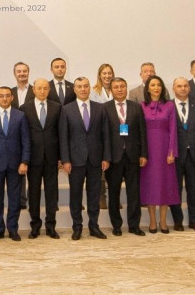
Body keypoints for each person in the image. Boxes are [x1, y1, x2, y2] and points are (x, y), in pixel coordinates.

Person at [59, 77, 111, 241]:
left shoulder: (100, 108)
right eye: (79, 86)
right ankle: (77, 227)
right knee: (75, 195)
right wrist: (65, 160)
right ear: (74, 89)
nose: (83, 89)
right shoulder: (66, 109)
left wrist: (106, 157)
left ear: (90, 88)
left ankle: (94, 226)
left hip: (96, 159)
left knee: (94, 194)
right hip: (75, 160)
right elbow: (63, 137)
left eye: (86, 86)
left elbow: (106, 135)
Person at [0, 86, 30, 242]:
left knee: (15, 198)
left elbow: (26, 141)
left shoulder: (20, 116)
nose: (4, 98)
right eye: (1, 96)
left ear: (12, 97)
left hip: (16, 165)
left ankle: (13, 229)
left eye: (7, 95)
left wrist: (24, 161)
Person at [104, 77, 148, 236]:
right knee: (113, 192)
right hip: (113, 157)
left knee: (134, 192)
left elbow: (142, 131)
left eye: (122, 86)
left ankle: (134, 225)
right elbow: (103, 135)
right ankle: (116, 225)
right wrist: (105, 157)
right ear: (111, 90)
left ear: (126, 87)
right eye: (116, 87)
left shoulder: (136, 107)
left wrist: (143, 154)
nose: (119, 89)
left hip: (133, 156)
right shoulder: (105, 108)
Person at [20, 78, 61, 239]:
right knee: (34, 193)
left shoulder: (57, 107)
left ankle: (51, 226)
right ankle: (35, 226)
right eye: (39, 88)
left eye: (45, 88)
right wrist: (24, 158)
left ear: (49, 90)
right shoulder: (25, 108)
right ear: (34, 90)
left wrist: (61, 157)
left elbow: (60, 133)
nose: (42, 91)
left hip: (52, 157)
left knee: (51, 193)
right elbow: (23, 135)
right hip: (33, 157)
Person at [140, 75, 179, 234]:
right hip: (148, 151)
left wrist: (172, 151)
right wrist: (141, 153)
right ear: (148, 88)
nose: (156, 87)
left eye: (159, 85)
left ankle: (163, 221)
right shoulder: (141, 106)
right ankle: (152, 221)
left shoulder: (169, 105)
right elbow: (139, 131)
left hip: (164, 151)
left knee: (164, 185)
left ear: (162, 88)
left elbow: (173, 130)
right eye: (153, 85)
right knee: (150, 185)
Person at [170, 77, 195, 231]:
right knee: (175, 189)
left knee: (193, 189)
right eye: (179, 86)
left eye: (185, 85)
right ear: (173, 88)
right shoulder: (168, 106)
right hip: (175, 155)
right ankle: (177, 221)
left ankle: (193, 220)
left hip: (193, 154)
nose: (183, 88)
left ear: (189, 88)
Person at [90, 63, 115, 210]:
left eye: (109, 73)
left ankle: (114, 199)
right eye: (104, 73)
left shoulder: (117, 89)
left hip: (115, 134)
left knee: (114, 169)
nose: (107, 76)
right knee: (101, 170)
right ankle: (101, 198)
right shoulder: (94, 92)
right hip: (99, 134)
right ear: (99, 75)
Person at [11, 61, 33, 210]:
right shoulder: (9, 92)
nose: (22, 74)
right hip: (15, 137)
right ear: (15, 74)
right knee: (18, 169)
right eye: (19, 71)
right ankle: (21, 200)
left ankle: (33, 201)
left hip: (34, 134)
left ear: (28, 73)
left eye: (24, 71)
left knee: (33, 173)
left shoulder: (35, 90)